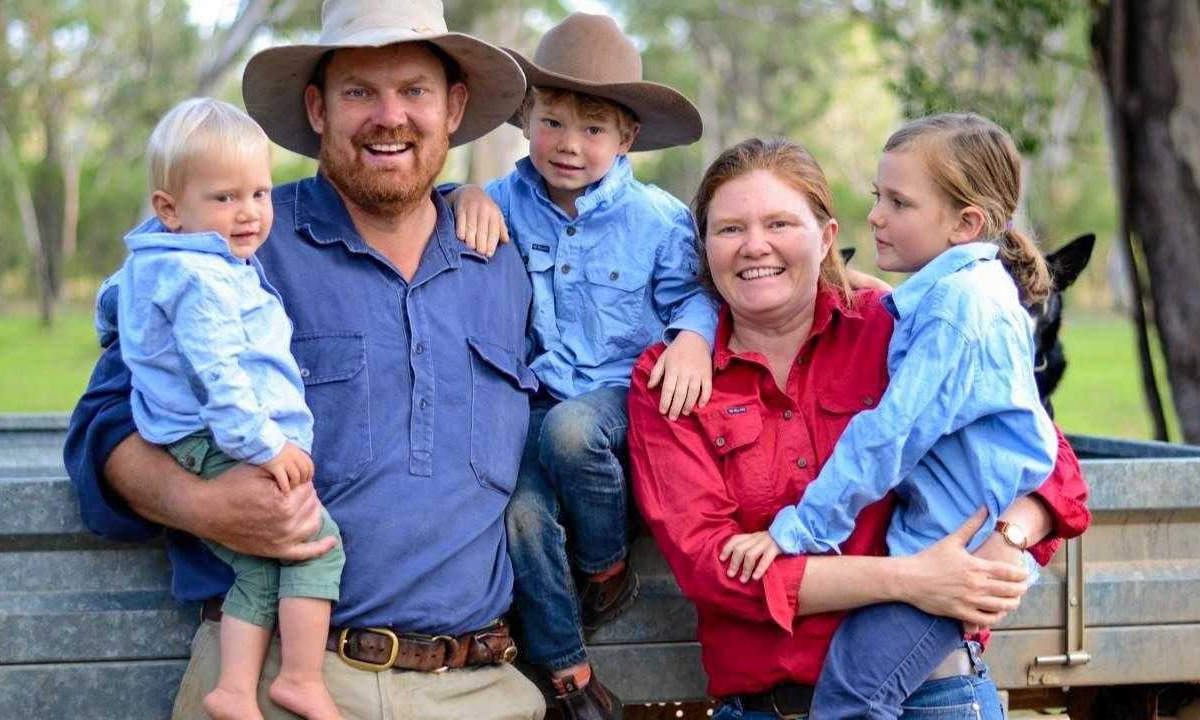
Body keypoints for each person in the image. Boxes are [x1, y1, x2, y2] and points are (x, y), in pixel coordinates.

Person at [63, 1, 548, 718]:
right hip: (270, 683)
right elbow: (101, 428)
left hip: (477, 685)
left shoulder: (501, 259)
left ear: (454, 107)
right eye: (359, 91)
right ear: (318, 108)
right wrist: (204, 505)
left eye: (414, 90)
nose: (389, 116)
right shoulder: (232, 239)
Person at [627, 138, 1091, 719]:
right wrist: (912, 580)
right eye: (728, 229)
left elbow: (1052, 462)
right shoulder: (669, 379)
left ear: (825, 239)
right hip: (767, 706)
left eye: (779, 223)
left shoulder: (889, 328)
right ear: (704, 249)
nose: (755, 246)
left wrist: (1003, 545)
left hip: (936, 696)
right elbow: (722, 572)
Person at [448, 14, 717, 719]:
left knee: (571, 430)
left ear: (626, 138)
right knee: (517, 510)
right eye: (553, 122)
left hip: (617, 407)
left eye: (593, 128)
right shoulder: (499, 203)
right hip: (531, 404)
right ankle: (572, 679)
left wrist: (691, 338)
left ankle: (605, 565)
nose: (569, 144)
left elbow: (693, 294)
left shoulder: (658, 220)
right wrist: (461, 195)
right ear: (526, 120)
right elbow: (437, 215)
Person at [102, 97, 345, 720]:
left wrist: (127, 334)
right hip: (220, 438)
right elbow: (220, 378)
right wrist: (266, 445)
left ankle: (236, 691)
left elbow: (112, 304)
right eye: (225, 198)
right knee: (319, 543)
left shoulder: (153, 263)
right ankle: (301, 678)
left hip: (191, 433)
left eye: (260, 194)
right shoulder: (203, 281)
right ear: (169, 209)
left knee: (260, 572)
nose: (250, 214)